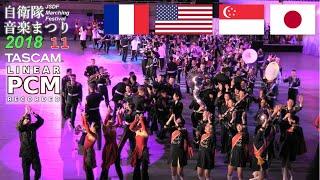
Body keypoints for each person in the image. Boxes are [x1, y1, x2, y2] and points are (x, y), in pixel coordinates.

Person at [17, 106, 44, 180]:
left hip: (34, 153)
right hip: (25, 154)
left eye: (29, 119)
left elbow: (41, 121)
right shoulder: (21, 128)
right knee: (26, 174)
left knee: (38, 170)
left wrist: (33, 113)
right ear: (23, 120)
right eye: (26, 119)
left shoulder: (33, 126)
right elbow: (18, 126)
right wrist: (24, 114)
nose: (28, 120)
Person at [166, 115, 192, 180]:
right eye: (176, 120)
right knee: (173, 172)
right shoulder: (173, 129)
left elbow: (181, 131)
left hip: (180, 152)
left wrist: (174, 120)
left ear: (181, 123)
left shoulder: (184, 130)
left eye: (178, 121)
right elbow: (165, 127)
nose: (176, 122)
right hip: (173, 151)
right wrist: (170, 119)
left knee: (179, 172)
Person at [100, 107, 123, 180]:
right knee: (107, 165)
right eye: (111, 120)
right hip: (110, 149)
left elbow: (119, 123)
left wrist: (118, 114)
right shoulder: (106, 128)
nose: (113, 121)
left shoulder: (112, 127)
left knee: (110, 165)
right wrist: (108, 113)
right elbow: (105, 123)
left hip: (112, 148)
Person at [130, 115, 149, 180]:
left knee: (144, 169)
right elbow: (131, 128)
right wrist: (135, 120)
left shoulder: (145, 130)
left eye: (140, 122)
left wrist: (141, 120)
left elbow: (145, 134)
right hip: (137, 150)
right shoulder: (137, 130)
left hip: (144, 151)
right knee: (136, 167)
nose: (138, 123)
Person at [85, 82, 103, 150]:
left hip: (90, 115)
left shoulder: (88, 97)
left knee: (90, 130)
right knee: (98, 131)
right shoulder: (99, 95)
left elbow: (87, 108)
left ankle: (91, 145)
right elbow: (102, 98)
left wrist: (85, 115)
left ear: (89, 88)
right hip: (97, 114)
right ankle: (99, 146)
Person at [81, 112, 98, 180]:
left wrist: (85, 118)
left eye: (92, 125)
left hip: (89, 153)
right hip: (87, 151)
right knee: (88, 170)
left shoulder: (94, 135)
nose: (91, 125)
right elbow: (84, 125)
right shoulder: (91, 132)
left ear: (94, 128)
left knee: (88, 170)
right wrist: (82, 116)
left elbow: (87, 129)